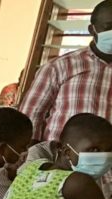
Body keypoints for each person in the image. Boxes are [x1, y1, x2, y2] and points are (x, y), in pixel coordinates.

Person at [18, 1, 112, 145]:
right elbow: (30, 115)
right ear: (92, 30)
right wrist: (35, 161)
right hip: (61, 161)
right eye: (109, 27)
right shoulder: (60, 66)